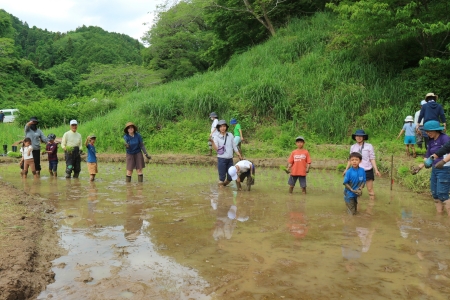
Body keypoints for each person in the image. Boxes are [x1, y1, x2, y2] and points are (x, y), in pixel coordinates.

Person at [412, 121, 450, 215]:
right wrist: (420, 167)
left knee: (443, 194)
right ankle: (439, 216)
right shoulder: (430, 141)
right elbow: (428, 156)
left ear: (437, 130)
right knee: (435, 195)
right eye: (427, 132)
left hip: (445, 169)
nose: (428, 133)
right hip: (435, 169)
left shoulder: (444, 138)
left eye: (430, 131)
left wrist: (443, 161)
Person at [343, 129, 381, 200]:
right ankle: (357, 206)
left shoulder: (369, 146)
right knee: (356, 190)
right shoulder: (353, 147)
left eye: (361, 136)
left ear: (363, 137)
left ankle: (371, 208)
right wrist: (346, 169)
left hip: (367, 170)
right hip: (356, 171)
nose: (359, 137)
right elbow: (350, 160)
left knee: (370, 190)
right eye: (357, 136)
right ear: (355, 137)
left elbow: (372, 158)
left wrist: (376, 170)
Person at [210, 120, 243, 187]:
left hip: (230, 159)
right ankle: (221, 192)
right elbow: (216, 149)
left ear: (226, 127)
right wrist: (212, 142)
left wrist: (239, 155)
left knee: (230, 177)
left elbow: (234, 146)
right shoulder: (216, 137)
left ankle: (223, 187)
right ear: (218, 128)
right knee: (222, 177)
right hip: (221, 159)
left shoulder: (230, 135)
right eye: (221, 126)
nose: (223, 128)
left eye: (224, 126)